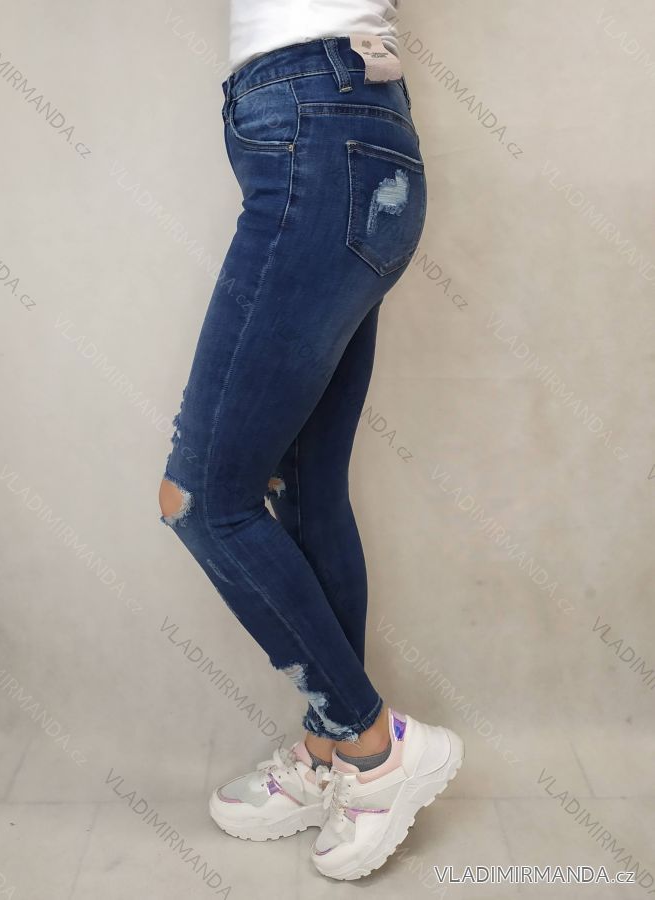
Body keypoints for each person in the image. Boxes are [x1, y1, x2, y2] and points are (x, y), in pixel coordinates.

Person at [158, 0, 463, 881]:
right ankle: (333, 749)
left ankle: (373, 746)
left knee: (202, 501)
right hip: (334, 129)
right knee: (302, 483)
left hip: (317, 126)